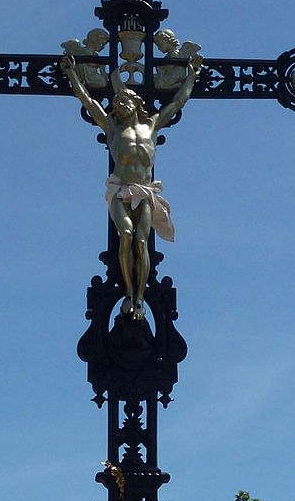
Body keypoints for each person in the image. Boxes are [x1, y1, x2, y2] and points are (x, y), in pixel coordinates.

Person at [59, 47, 203, 319]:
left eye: (123, 102)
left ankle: (138, 297)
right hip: (120, 191)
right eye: (115, 104)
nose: (117, 106)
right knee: (125, 234)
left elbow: (176, 104)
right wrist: (72, 75)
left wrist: (192, 76)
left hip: (145, 192)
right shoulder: (113, 129)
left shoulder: (152, 126)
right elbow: (88, 102)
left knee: (141, 240)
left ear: (135, 103)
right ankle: (128, 293)